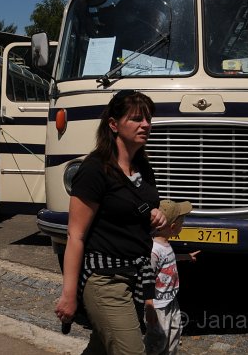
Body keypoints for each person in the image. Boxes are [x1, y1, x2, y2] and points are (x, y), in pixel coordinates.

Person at [55, 89, 167, 355]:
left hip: (135, 277)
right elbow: (76, 236)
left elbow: (139, 211)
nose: (146, 125)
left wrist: (156, 214)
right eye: (137, 119)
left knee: (102, 350)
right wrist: (69, 295)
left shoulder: (143, 167)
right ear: (114, 125)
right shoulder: (95, 169)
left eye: (148, 118)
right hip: (105, 281)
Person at [143, 199, 195, 355]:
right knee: (158, 340)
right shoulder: (154, 250)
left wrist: (185, 257)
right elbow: (147, 278)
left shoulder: (165, 244)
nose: (183, 224)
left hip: (171, 300)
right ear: (172, 228)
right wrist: (149, 306)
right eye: (182, 222)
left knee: (174, 332)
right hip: (158, 306)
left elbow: (169, 259)